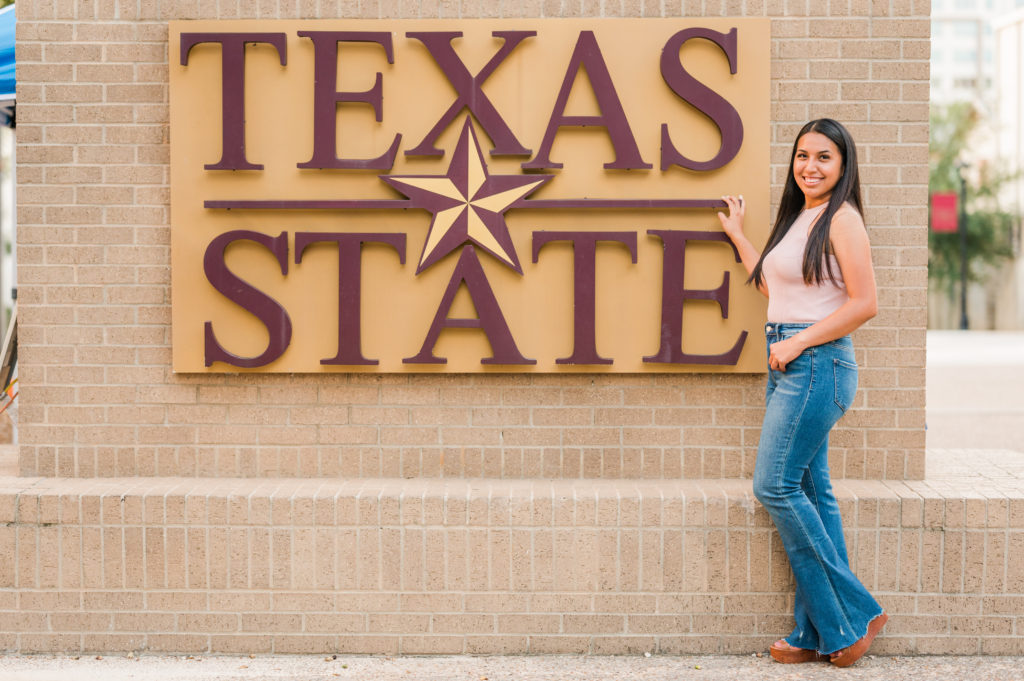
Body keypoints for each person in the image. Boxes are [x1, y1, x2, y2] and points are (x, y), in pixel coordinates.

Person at [717, 118, 887, 667]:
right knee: (813, 494)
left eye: (824, 158)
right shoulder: (802, 218)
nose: (810, 166)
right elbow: (775, 286)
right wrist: (740, 237)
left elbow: (865, 303)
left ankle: (854, 611)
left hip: (816, 362)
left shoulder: (843, 219)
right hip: (792, 360)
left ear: (843, 166)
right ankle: (815, 632)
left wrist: (797, 345)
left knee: (774, 486)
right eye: (802, 156)